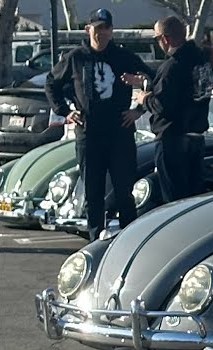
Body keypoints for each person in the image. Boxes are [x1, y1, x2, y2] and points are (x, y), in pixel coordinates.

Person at [45, 8, 152, 241]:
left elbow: (154, 80)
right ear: (88, 29)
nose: (101, 32)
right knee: (93, 195)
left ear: (111, 30)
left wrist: (139, 109)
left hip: (119, 135)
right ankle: (95, 242)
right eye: (97, 28)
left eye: (106, 28)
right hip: (89, 135)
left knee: (125, 193)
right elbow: (52, 83)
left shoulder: (123, 57)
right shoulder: (76, 58)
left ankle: (128, 242)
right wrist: (65, 111)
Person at [140, 16, 213, 204]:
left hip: (173, 139)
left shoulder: (172, 66)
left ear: (165, 39)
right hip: (197, 138)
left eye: (157, 38)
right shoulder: (202, 61)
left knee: (175, 202)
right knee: (194, 201)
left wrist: (144, 98)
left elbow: (162, 105)